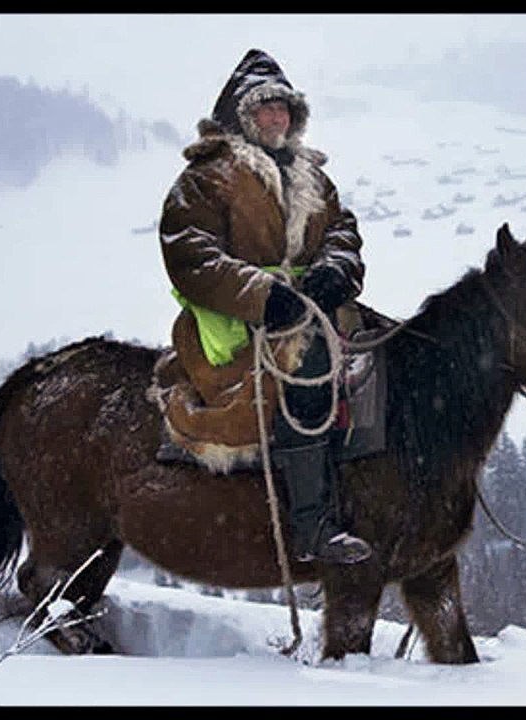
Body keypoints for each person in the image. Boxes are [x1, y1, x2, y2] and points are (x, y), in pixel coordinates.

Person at [156, 49, 372, 565]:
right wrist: (264, 297)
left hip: (315, 306)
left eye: (285, 110)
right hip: (237, 315)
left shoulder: (313, 177)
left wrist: (334, 272)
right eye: (265, 109)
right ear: (240, 116)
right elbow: (189, 251)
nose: (277, 117)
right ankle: (311, 527)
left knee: (394, 346)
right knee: (309, 372)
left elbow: (342, 231)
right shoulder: (207, 176)